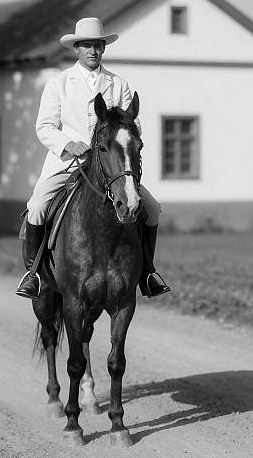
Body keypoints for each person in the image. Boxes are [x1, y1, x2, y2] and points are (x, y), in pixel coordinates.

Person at [16, 17, 171, 300]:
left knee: (152, 208)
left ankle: (147, 272)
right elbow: (44, 126)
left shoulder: (119, 85)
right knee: (37, 206)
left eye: (97, 45)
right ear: (76, 49)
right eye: (86, 45)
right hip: (67, 162)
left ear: (103, 48)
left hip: (110, 165)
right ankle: (34, 274)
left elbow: (130, 126)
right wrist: (68, 144)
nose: (93, 51)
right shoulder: (59, 83)